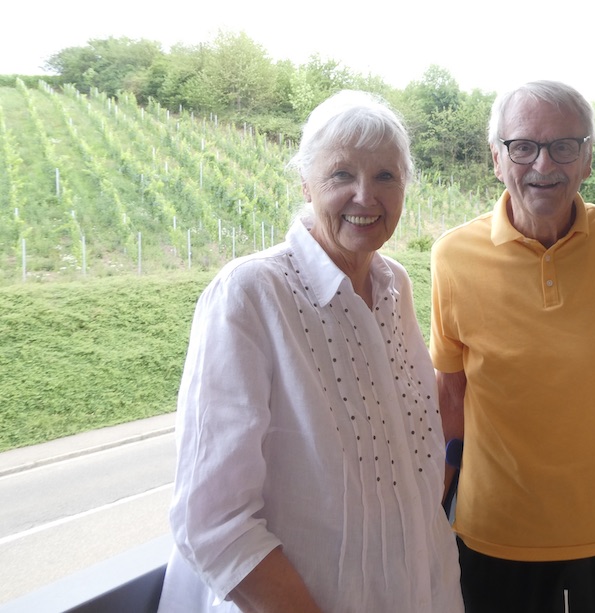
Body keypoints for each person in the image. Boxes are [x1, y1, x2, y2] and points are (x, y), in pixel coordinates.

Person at [157, 90, 463, 613]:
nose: (365, 196)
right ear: (305, 182)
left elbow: (417, 449)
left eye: (385, 176)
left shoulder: (395, 284)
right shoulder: (251, 293)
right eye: (342, 174)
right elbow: (211, 522)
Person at [429, 80, 595, 613]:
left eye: (564, 146)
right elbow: (451, 399)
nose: (543, 164)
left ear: (588, 159)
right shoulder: (452, 257)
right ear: (497, 158)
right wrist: (432, 513)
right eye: (523, 146)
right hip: (497, 532)